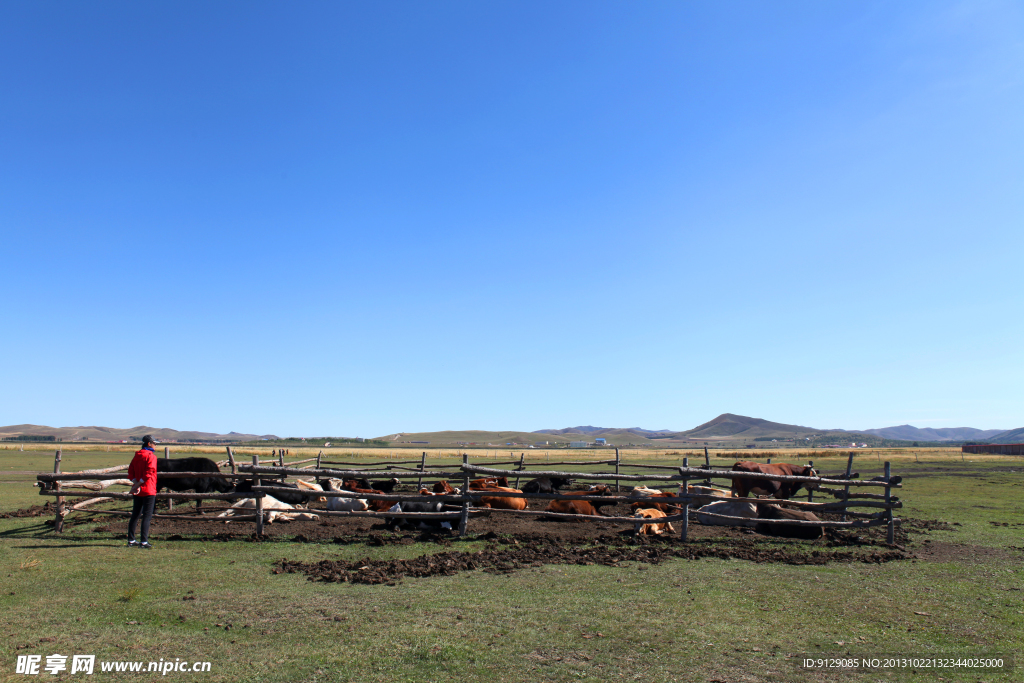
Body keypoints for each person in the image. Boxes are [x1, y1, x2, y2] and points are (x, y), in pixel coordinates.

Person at [127, 434, 158, 548]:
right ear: (149, 444)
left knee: (135, 514)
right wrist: (139, 483)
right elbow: (149, 473)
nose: (155, 446)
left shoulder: (137, 456)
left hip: (138, 490)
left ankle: (131, 540)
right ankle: (144, 541)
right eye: (154, 444)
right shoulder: (151, 456)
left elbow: (130, 472)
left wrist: (135, 484)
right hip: (148, 489)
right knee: (147, 516)